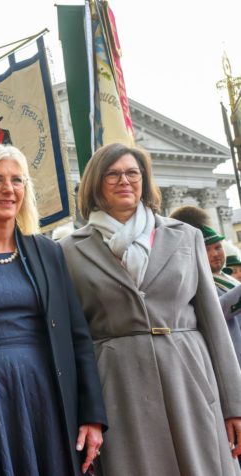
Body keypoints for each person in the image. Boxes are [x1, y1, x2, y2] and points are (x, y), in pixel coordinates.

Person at [60, 143, 241, 476]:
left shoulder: (186, 236)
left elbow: (213, 323)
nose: (123, 181)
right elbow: (73, 336)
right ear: (95, 184)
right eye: (111, 174)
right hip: (117, 384)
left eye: (132, 172)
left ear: (144, 179)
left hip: (189, 376)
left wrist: (235, 405)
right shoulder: (68, 251)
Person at [0, 145, 106, 475]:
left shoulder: (50, 253)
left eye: (17, 180)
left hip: (50, 391)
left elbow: (78, 337)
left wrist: (92, 416)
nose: (9, 189)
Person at [168, 206, 241, 366]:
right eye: (207, 249)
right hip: (229, 354)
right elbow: (214, 311)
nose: (216, 254)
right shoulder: (194, 280)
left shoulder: (229, 278)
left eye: (218, 247)